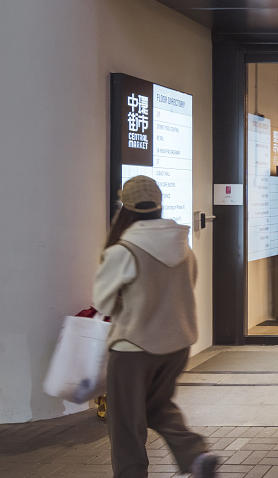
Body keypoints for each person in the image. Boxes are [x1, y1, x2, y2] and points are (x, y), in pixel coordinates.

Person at [94, 176, 219, 478]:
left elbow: (102, 302)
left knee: (126, 424)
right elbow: (187, 287)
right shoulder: (182, 245)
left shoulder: (123, 250)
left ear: (126, 207)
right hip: (177, 346)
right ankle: (195, 455)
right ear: (159, 204)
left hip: (134, 348)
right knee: (157, 406)